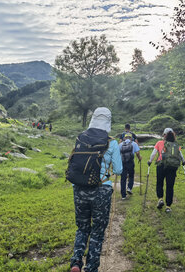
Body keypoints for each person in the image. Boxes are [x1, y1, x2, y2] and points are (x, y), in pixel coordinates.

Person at [69, 107, 123, 272]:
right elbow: (119, 170)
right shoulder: (111, 142)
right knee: (97, 232)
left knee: (82, 228)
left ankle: (76, 262)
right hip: (101, 190)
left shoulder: (81, 138)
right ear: (108, 121)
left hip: (78, 188)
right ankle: (91, 268)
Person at [147, 128, 185, 213]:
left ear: (164, 135)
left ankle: (160, 199)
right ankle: (168, 206)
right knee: (170, 186)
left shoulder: (159, 143)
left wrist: (150, 161)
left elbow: (153, 154)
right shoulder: (175, 144)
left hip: (161, 165)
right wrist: (183, 162)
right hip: (172, 167)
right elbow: (181, 155)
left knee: (160, 183)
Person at [119, 133, 142, 200]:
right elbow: (137, 153)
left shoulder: (120, 145)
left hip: (123, 163)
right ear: (131, 138)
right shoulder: (134, 144)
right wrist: (139, 158)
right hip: (130, 162)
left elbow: (117, 154)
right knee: (131, 176)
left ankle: (123, 195)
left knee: (123, 178)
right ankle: (129, 188)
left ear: (124, 138)